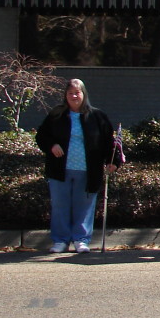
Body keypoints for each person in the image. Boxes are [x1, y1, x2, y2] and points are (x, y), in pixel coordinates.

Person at [35, 79, 117, 253]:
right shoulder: (56, 114)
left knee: (85, 206)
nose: (74, 96)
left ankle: (81, 240)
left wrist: (113, 161)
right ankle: (60, 240)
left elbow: (108, 142)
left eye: (77, 92)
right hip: (60, 169)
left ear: (84, 94)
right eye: (71, 92)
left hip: (88, 169)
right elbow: (42, 136)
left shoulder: (97, 116)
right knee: (60, 205)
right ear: (66, 95)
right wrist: (52, 145)